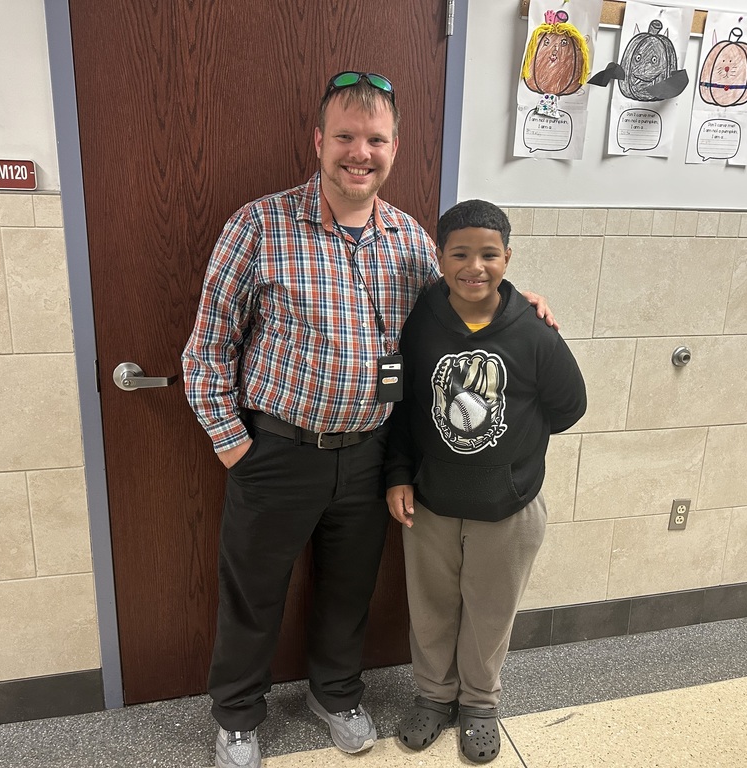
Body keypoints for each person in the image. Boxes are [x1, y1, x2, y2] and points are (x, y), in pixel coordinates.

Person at [182, 73, 555, 768]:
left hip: (367, 455)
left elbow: (459, 313)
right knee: (253, 594)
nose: (360, 153)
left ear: (394, 148)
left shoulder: (408, 239)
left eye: (375, 139)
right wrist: (235, 447)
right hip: (276, 451)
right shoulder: (259, 226)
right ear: (319, 141)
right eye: (346, 137)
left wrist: (516, 306)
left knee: (349, 590)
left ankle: (335, 694)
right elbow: (208, 348)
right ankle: (236, 715)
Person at [384, 200, 586, 763]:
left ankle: (479, 703)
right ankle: (433, 696)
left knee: (490, 612)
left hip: (508, 506)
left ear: (508, 258)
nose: (475, 267)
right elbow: (402, 409)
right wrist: (398, 474)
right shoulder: (420, 322)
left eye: (489, 255)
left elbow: (569, 407)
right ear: (439, 258)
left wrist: (512, 455)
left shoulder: (534, 332)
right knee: (431, 608)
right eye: (460, 254)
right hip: (430, 501)